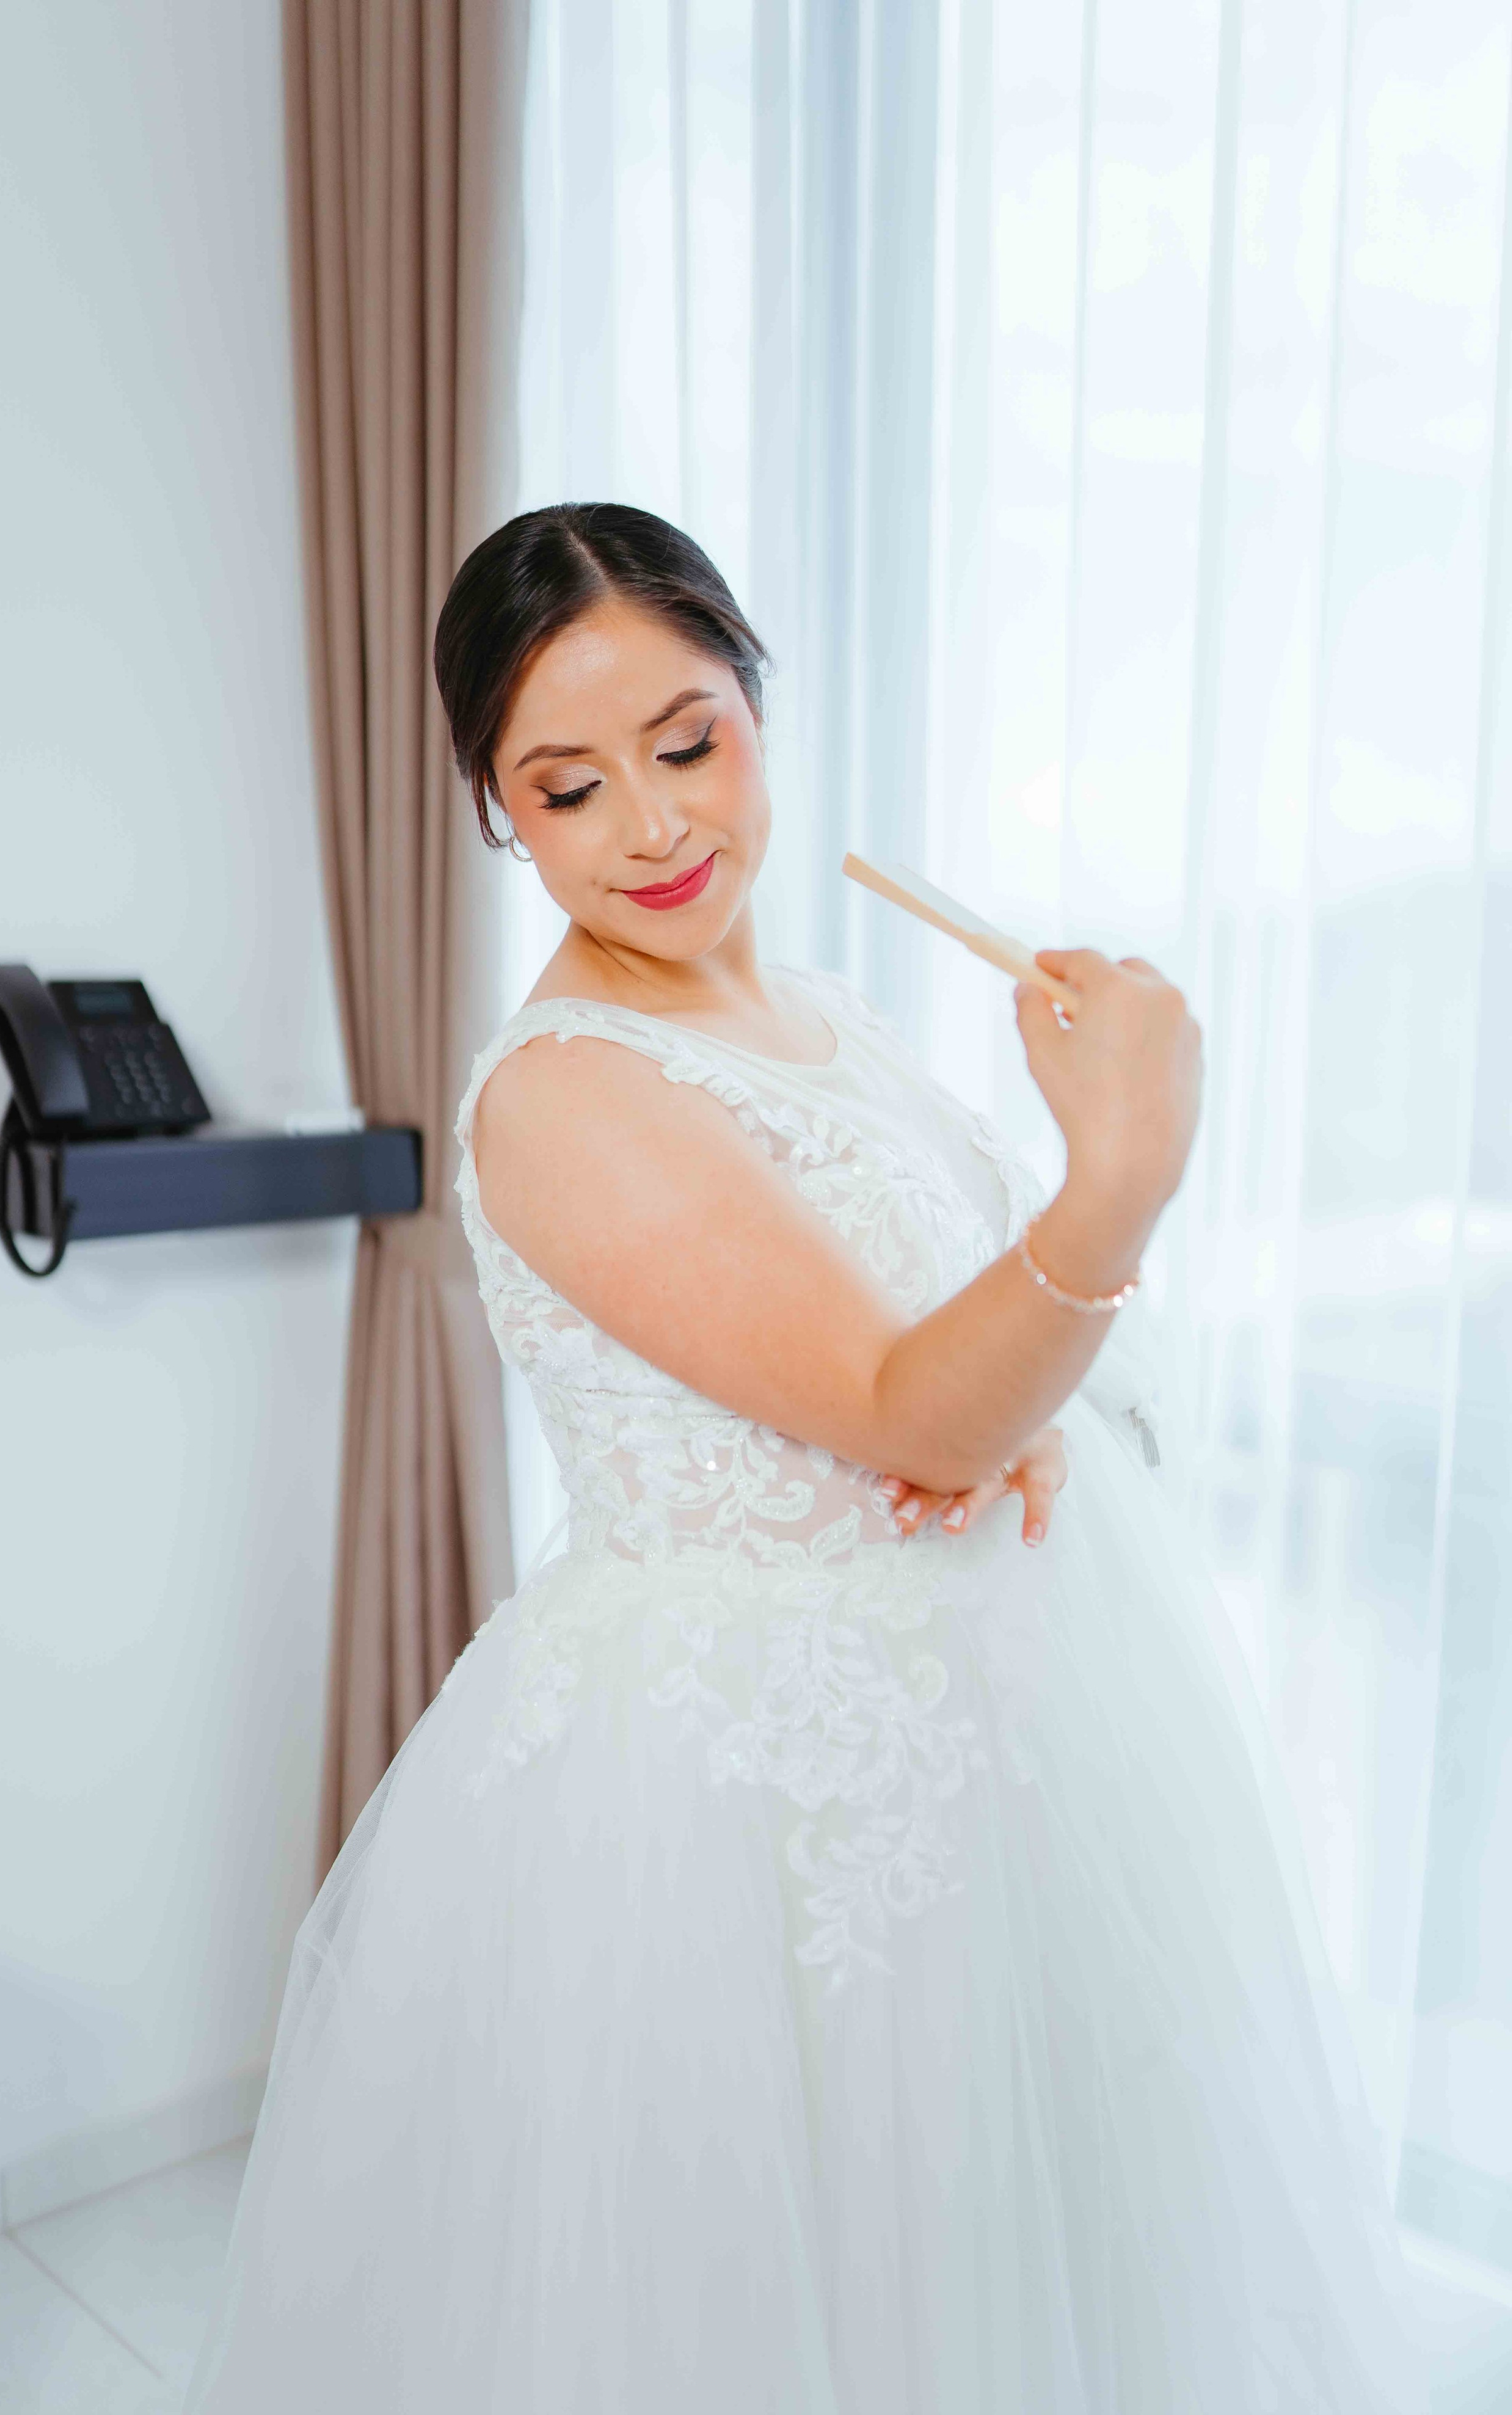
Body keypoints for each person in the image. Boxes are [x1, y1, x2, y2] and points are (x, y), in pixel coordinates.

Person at [183, 503, 1425, 2412]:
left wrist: (1015, 1429)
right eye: (571, 789)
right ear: (502, 816)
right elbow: (925, 1393)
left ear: (756, 698)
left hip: (983, 1730)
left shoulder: (817, 1017)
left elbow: (968, 1368)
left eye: (689, 743)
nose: (657, 828)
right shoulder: (569, 1097)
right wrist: (1123, 1181)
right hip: (730, 1808)